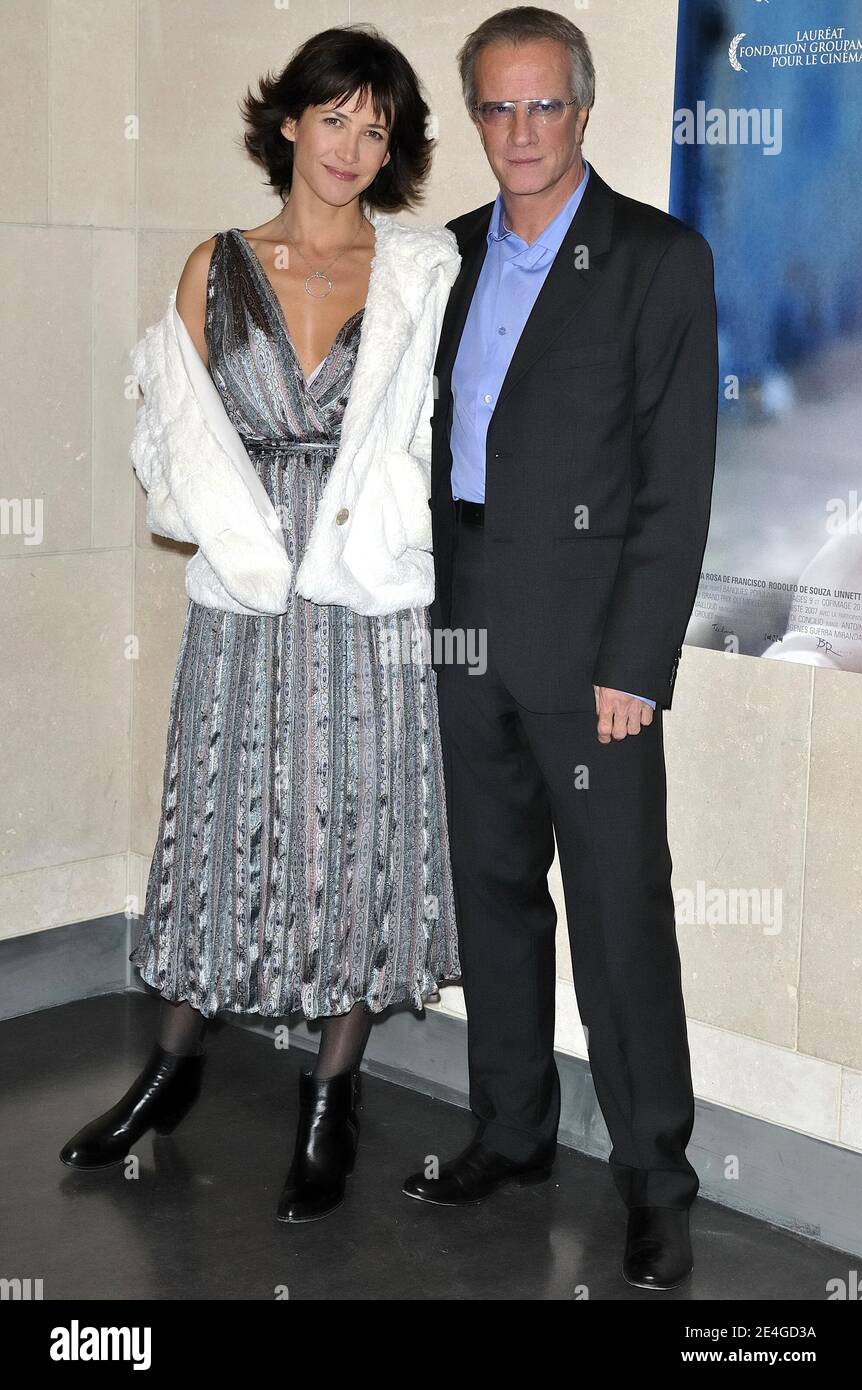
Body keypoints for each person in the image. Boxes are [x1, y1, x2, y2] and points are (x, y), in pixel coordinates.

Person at [59, 24, 463, 1225]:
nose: (352, 145)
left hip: (363, 603)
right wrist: (243, 540)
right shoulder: (212, 265)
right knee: (220, 819)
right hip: (243, 601)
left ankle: (330, 1098)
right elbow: (172, 445)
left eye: (376, 127)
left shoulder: (416, 271)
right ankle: (172, 1068)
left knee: (354, 831)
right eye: (333, 116)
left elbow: (427, 437)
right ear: (287, 121)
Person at [402, 7, 719, 1291]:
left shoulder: (656, 258)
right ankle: (511, 1132)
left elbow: (674, 481)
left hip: (590, 653)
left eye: (542, 106)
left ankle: (654, 1181)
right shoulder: (446, 258)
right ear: (472, 117)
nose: (519, 133)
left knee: (617, 915)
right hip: (461, 620)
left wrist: (635, 665)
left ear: (582, 112)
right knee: (490, 897)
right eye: (495, 108)